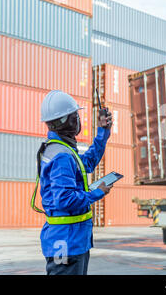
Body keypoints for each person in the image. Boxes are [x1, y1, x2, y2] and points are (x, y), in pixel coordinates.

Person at [32, 90, 113, 275]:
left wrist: (103, 132)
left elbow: (88, 162)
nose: (78, 119)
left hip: (72, 239)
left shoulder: (64, 150)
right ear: (69, 121)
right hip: (66, 241)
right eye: (76, 115)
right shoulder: (62, 156)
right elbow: (64, 199)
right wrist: (97, 192)